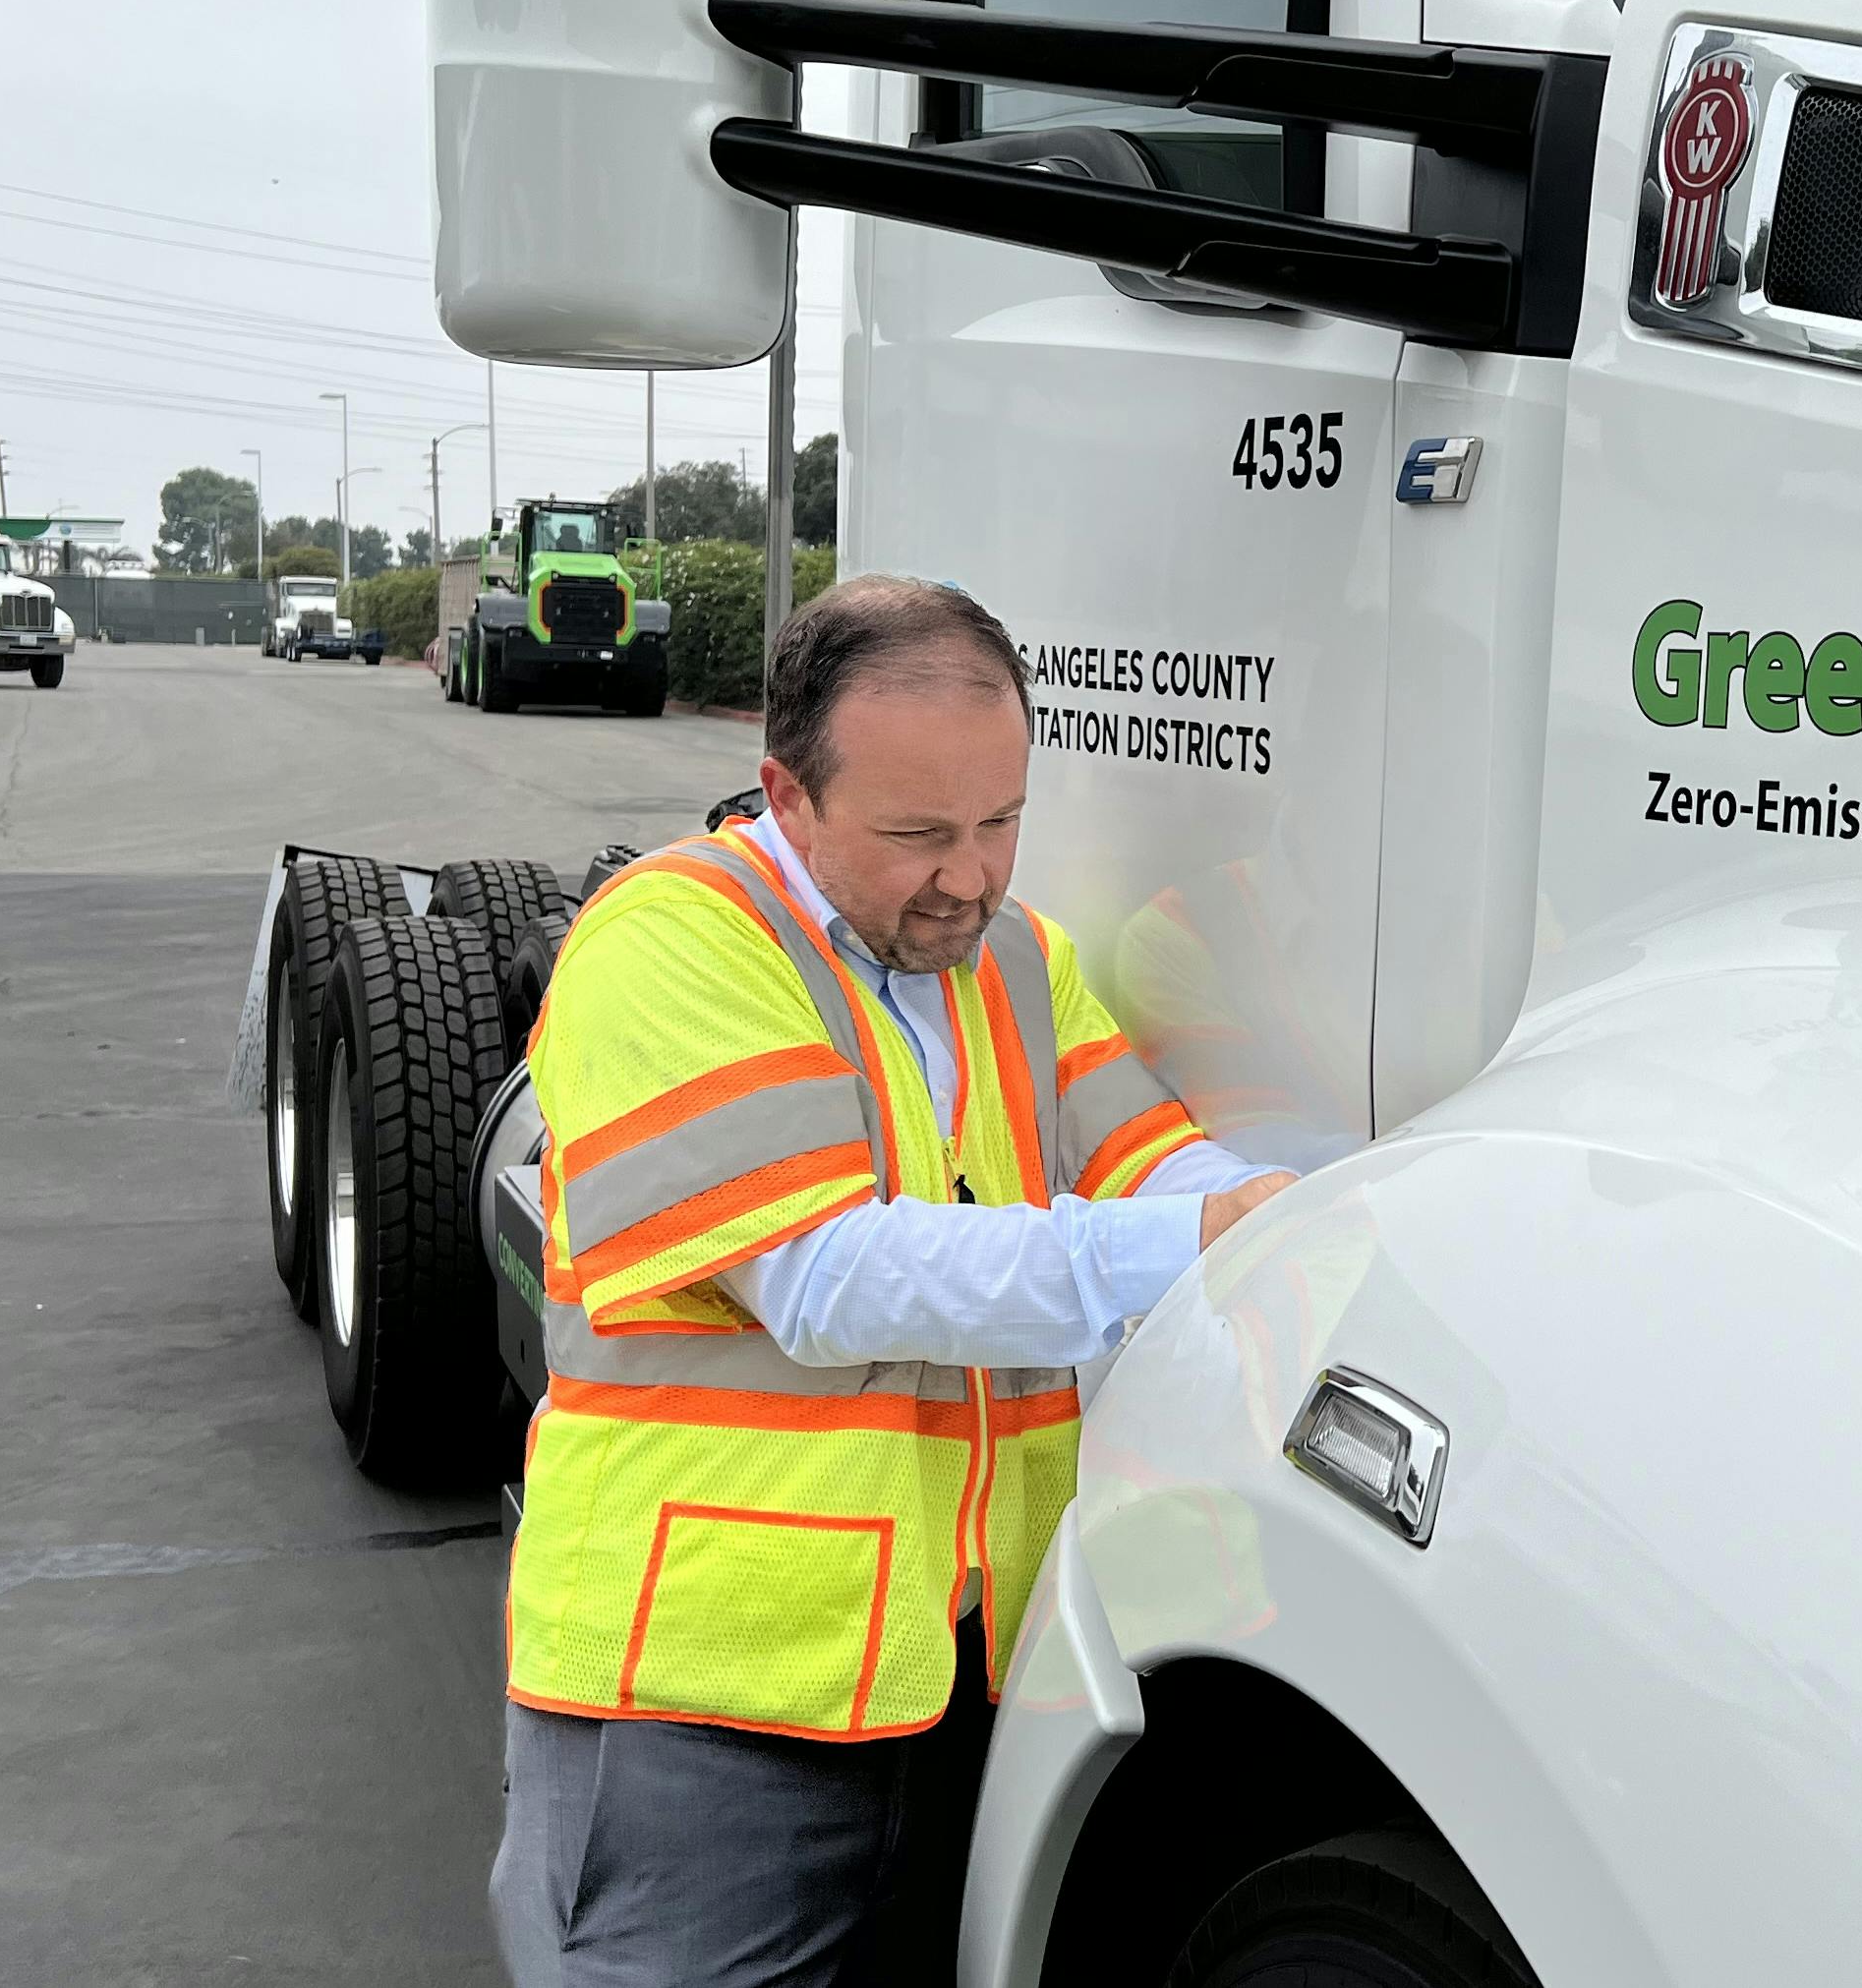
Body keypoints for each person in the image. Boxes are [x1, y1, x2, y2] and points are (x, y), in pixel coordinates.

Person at [489, 575, 1296, 1985]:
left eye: (1002, 823)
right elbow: (822, 1275)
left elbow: (1152, 1160)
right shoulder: (673, 937)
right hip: (711, 1689)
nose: (972, 877)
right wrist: (1196, 1235)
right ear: (786, 798)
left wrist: (1290, 1212)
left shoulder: (1021, 963)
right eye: (919, 834)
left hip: (960, 1671)